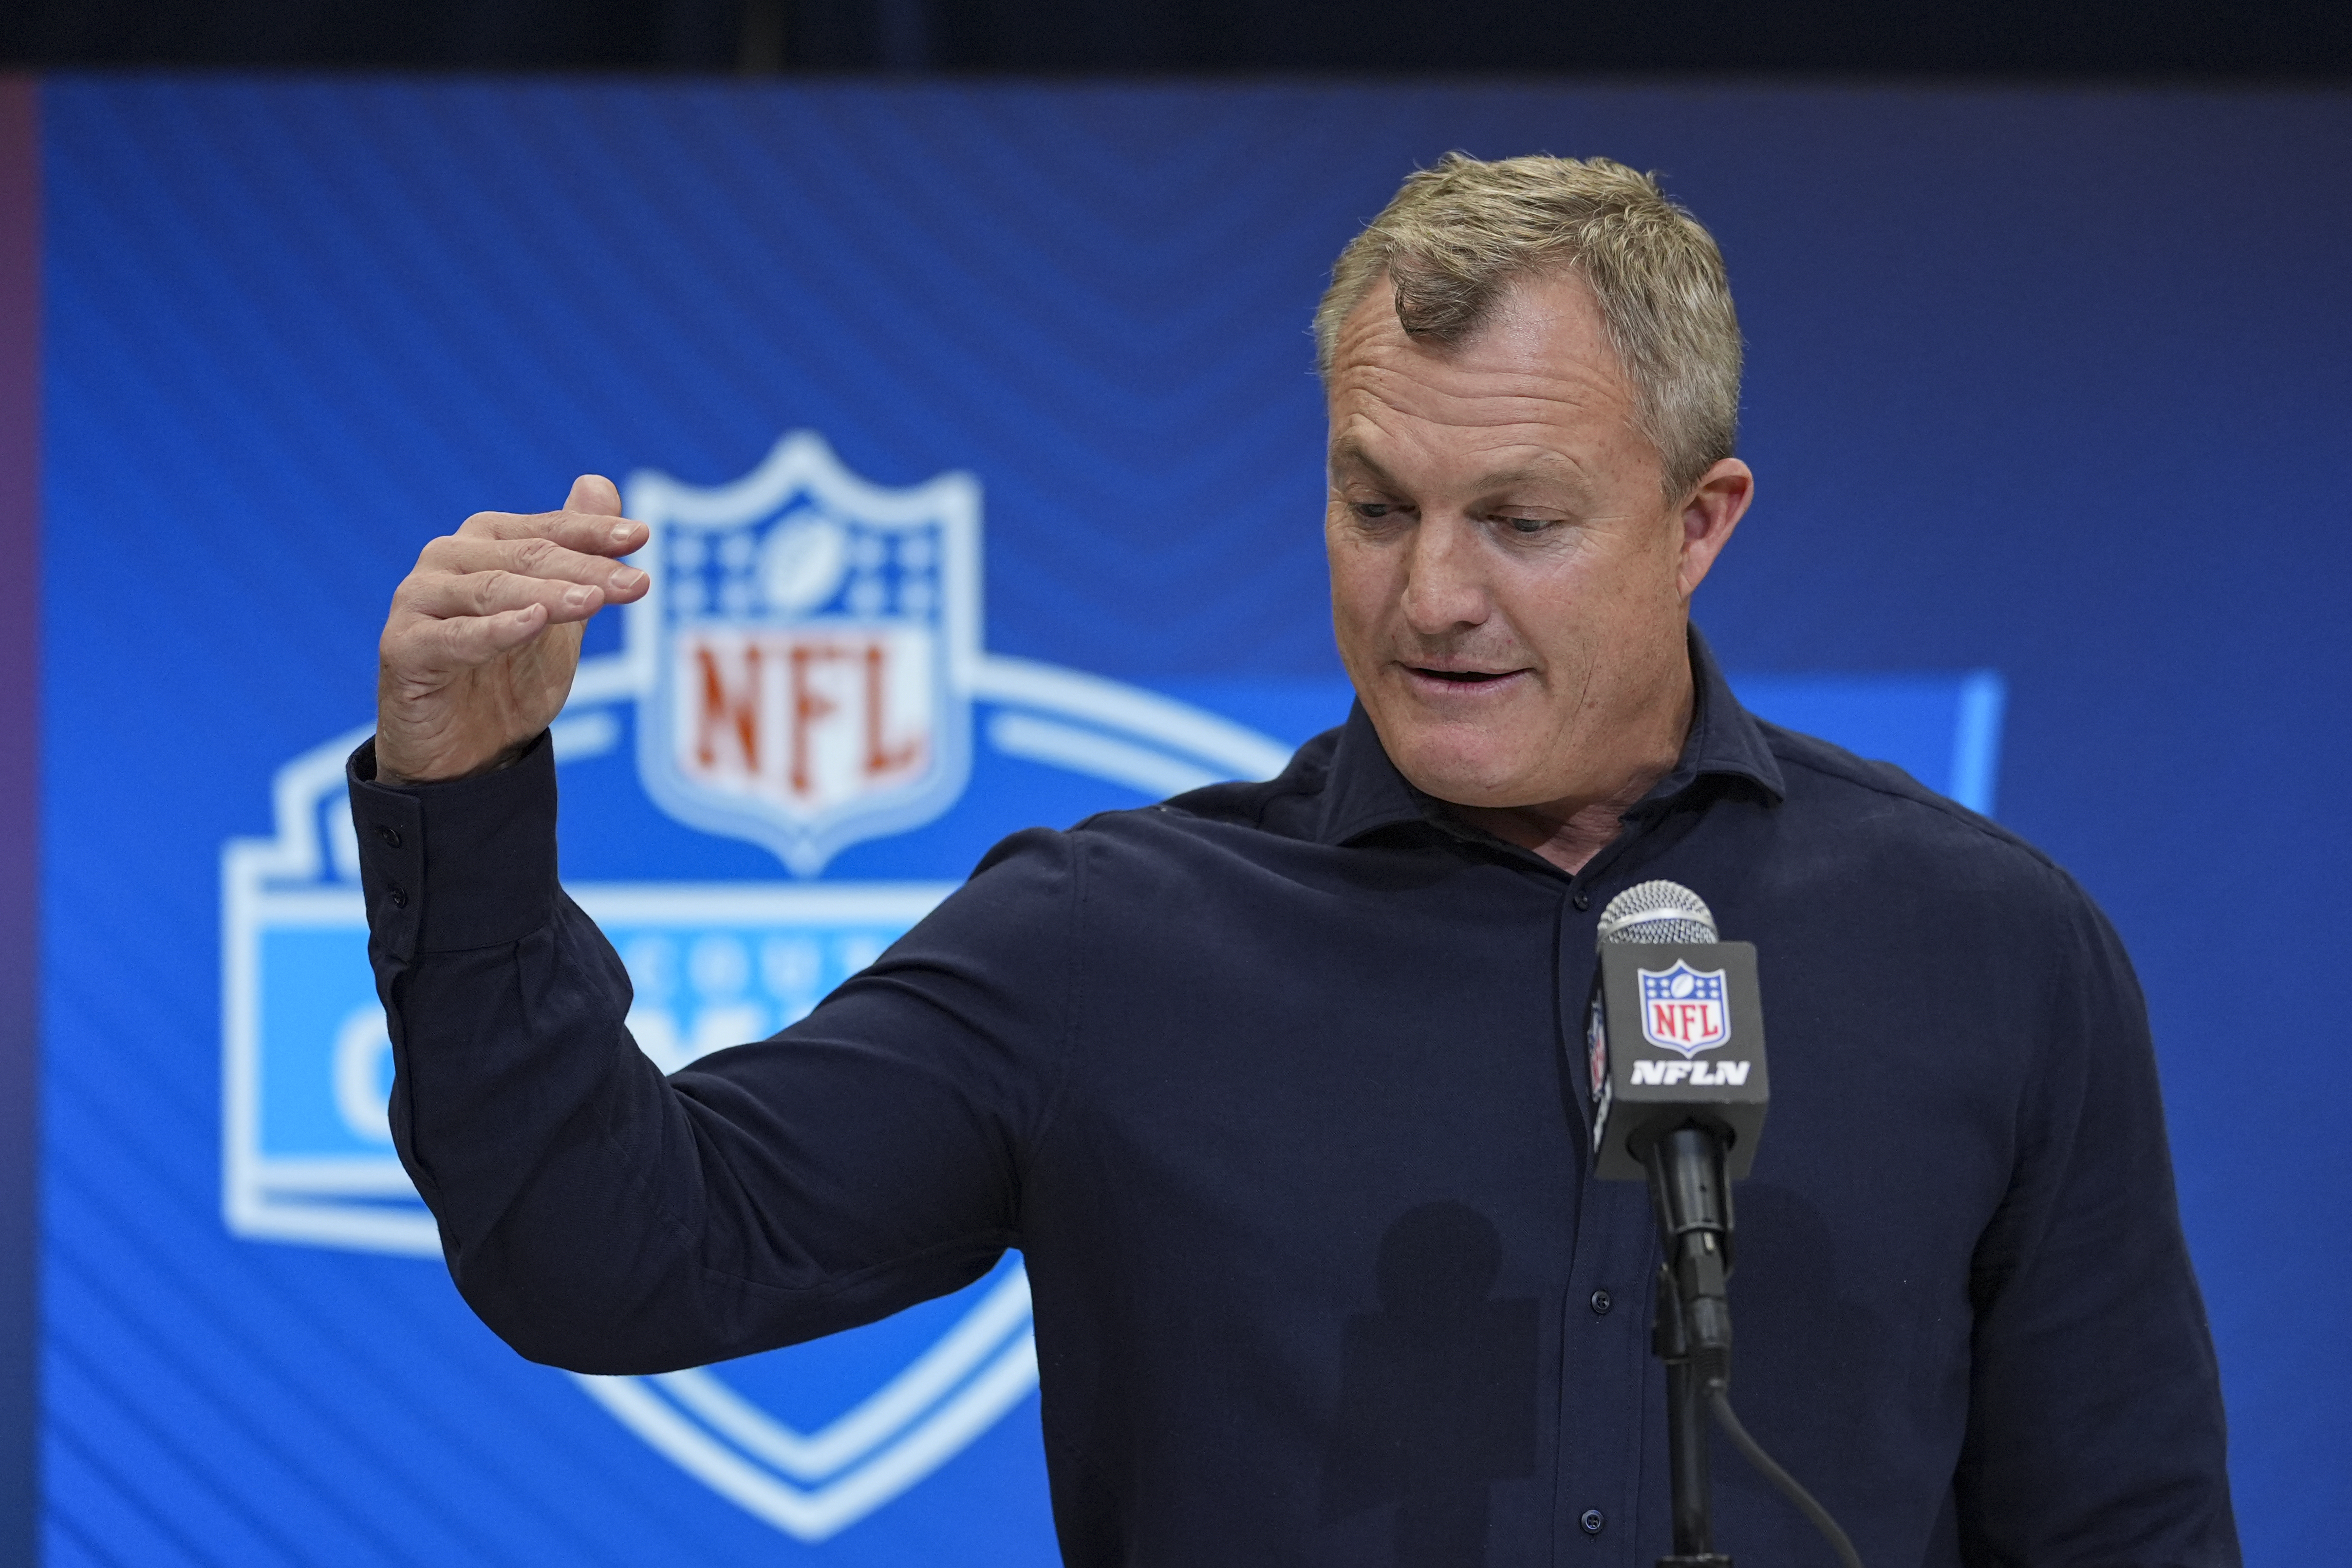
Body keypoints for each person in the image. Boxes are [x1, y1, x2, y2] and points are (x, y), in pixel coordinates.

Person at [351, 154, 2238, 1566]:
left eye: (1517, 519)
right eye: (1372, 504)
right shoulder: (1109, 945)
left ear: (1697, 520)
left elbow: (2120, 1526)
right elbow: (617, 1259)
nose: (1431, 595)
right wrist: (468, 791)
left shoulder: (1983, 947)